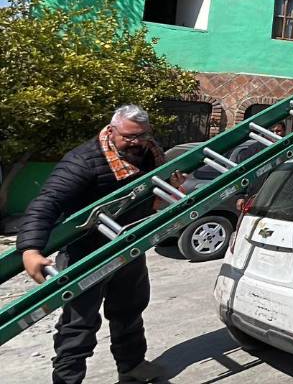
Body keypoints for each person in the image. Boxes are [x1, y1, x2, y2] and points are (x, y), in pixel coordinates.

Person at [18, 105, 177, 384]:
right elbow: (47, 202)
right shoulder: (83, 161)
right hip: (85, 252)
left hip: (128, 245)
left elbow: (154, 188)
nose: (136, 142)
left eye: (141, 135)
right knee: (79, 324)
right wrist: (30, 249)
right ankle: (67, 380)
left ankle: (132, 366)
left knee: (130, 310)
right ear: (112, 130)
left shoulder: (150, 153)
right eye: (129, 136)